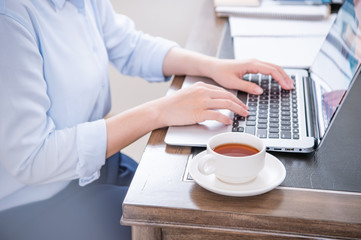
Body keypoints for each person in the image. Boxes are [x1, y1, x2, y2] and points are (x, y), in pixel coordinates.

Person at [0, 0, 294, 239]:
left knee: (183, 199)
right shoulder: (10, 20)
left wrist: (214, 66)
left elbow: (128, 45)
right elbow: (32, 159)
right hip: (36, 202)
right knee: (181, 223)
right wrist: (159, 111)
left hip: (95, 165)